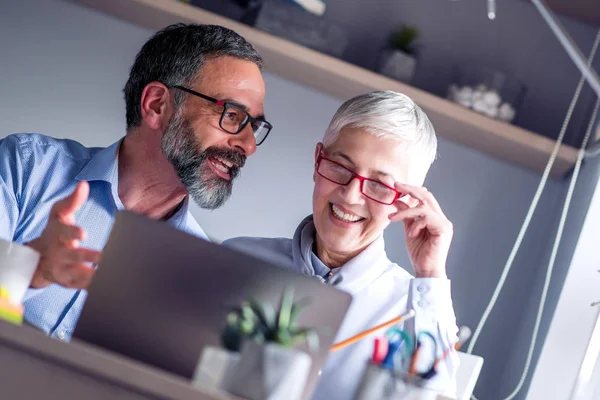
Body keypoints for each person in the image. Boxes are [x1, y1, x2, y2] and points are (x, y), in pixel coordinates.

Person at [0, 23, 272, 341]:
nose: (249, 146)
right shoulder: (25, 168)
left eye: (255, 125)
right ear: (157, 105)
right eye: (233, 116)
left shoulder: (202, 273)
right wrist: (28, 274)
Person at [225, 91, 459, 399]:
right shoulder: (236, 259)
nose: (350, 196)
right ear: (317, 160)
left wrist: (430, 275)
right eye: (340, 167)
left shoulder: (414, 308)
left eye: (379, 184)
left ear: (406, 201)